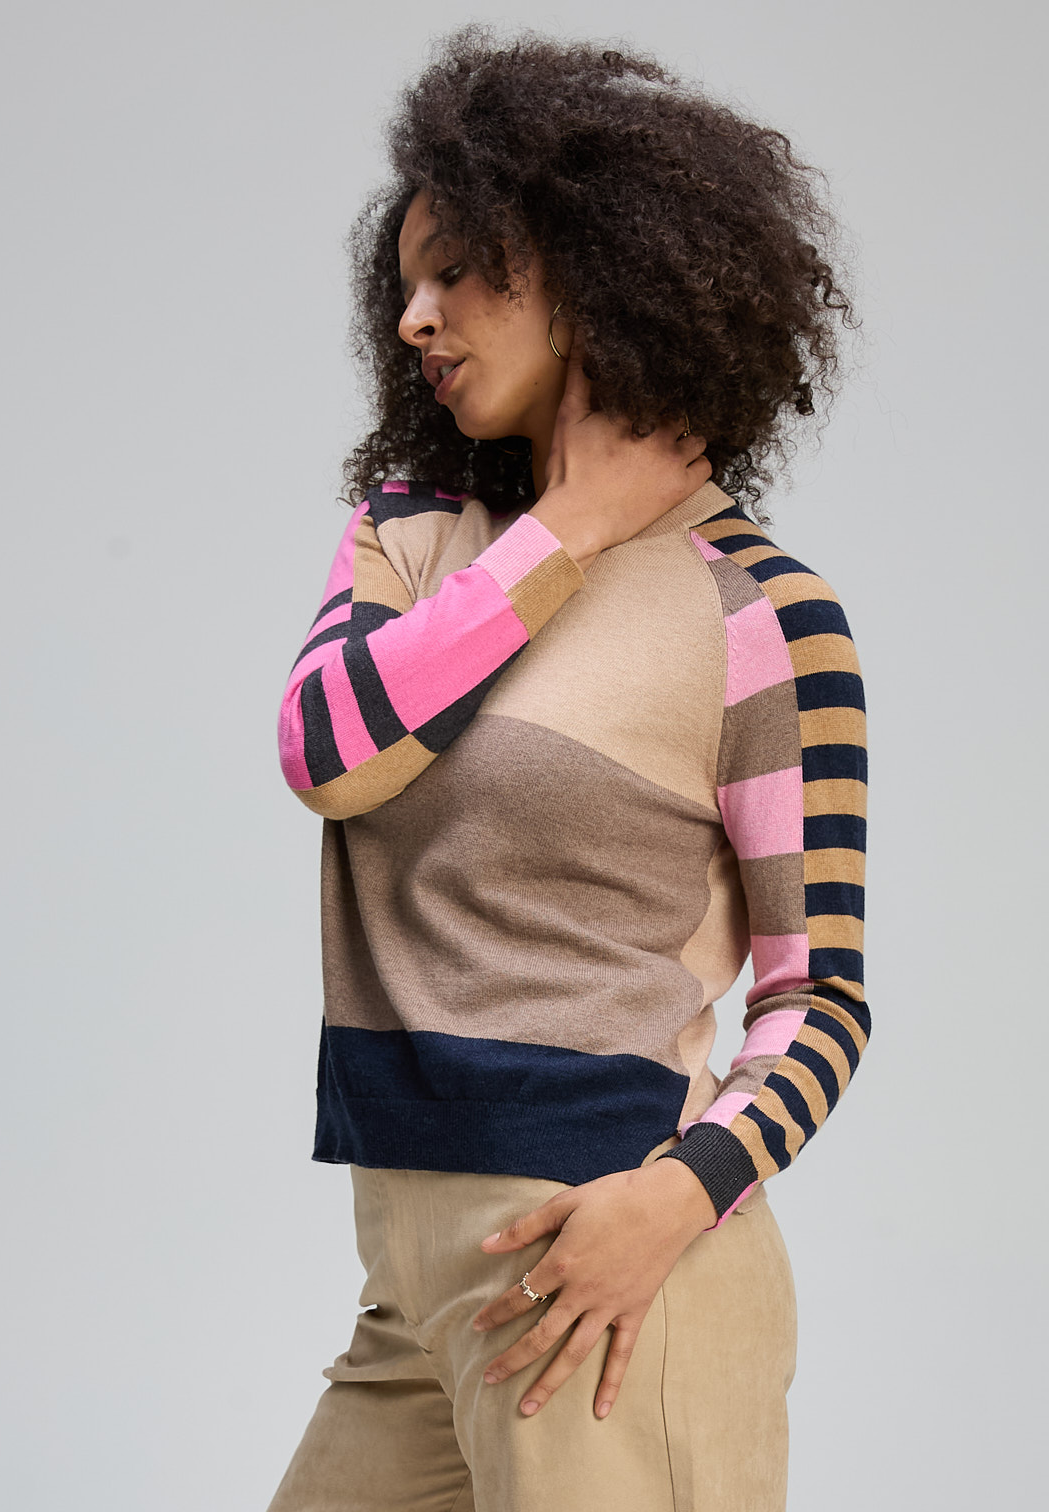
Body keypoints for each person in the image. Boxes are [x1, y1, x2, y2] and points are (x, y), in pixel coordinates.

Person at [266, 24, 868, 1512]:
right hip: (414, 1275)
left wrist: (677, 1199)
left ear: (595, 274)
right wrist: (569, 530)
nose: (415, 314)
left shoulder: (761, 616)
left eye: (459, 270)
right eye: (404, 280)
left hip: (610, 1279)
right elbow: (328, 751)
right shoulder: (416, 538)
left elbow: (819, 999)